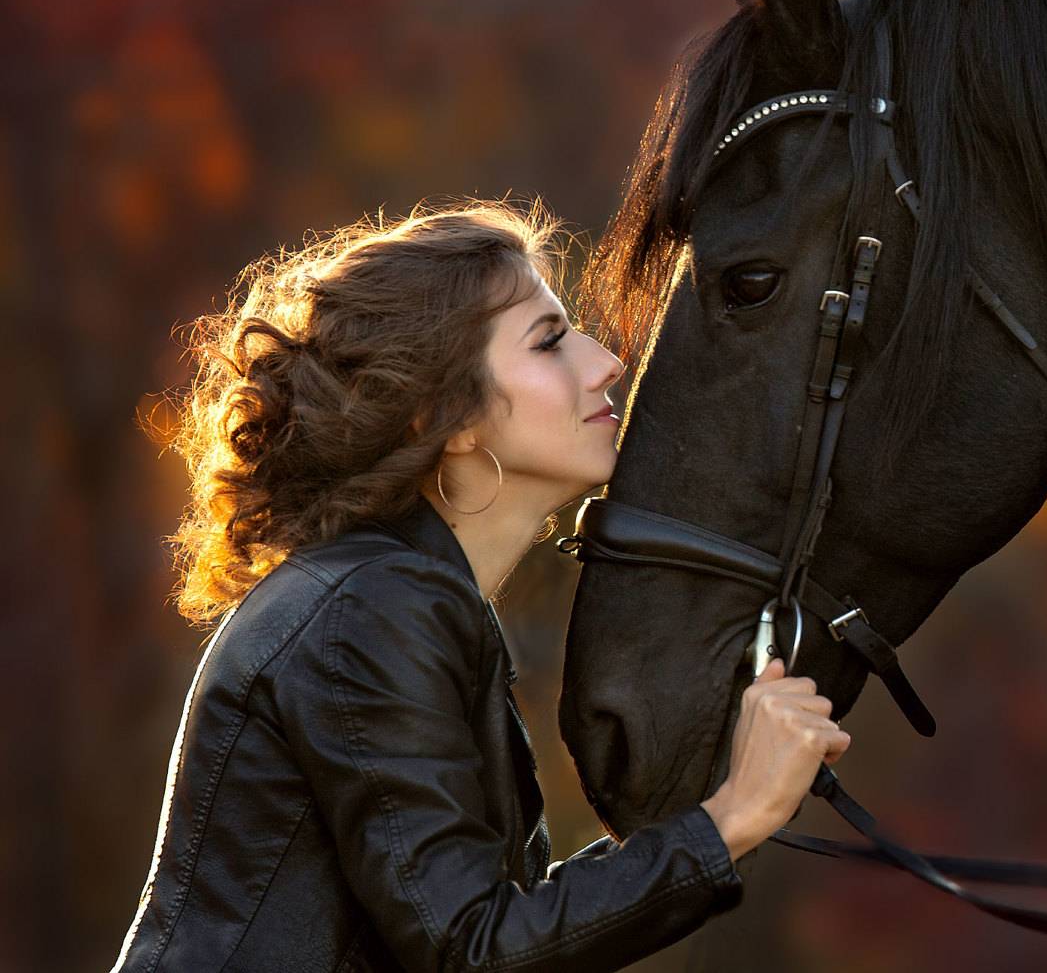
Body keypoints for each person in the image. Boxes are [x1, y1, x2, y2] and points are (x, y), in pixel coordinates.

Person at [110, 199, 852, 972]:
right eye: (550, 342)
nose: (606, 362)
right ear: (443, 413)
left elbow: (476, 921)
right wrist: (730, 819)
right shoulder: (372, 609)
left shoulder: (394, 594)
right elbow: (471, 948)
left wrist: (727, 808)